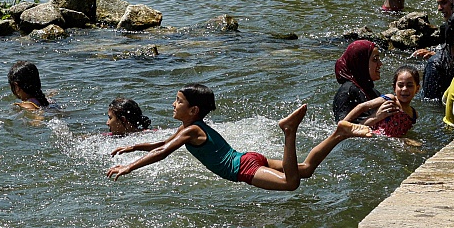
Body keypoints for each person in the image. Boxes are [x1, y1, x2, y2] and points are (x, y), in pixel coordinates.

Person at [106, 84, 372, 190]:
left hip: (243, 168)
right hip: (247, 158)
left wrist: (129, 168)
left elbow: (162, 153)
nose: (173, 105)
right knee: (306, 169)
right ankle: (339, 133)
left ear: (194, 109)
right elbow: (160, 144)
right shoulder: (190, 127)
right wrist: (132, 147)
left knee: (292, 183)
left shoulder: (191, 130)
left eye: (178, 101)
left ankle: (289, 131)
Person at [343, 66, 421, 138]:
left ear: (417, 89)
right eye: (400, 85)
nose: (404, 89)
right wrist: (343, 123)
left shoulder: (414, 114)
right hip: (374, 136)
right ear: (394, 87)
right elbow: (362, 107)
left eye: (410, 85)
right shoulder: (391, 99)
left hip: (391, 142)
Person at [332, 40, 382, 122]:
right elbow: (341, 128)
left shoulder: (373, 92)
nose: (380, 64)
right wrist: (376, 118)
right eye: (375, 59)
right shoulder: (347, 91)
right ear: (361, 62)